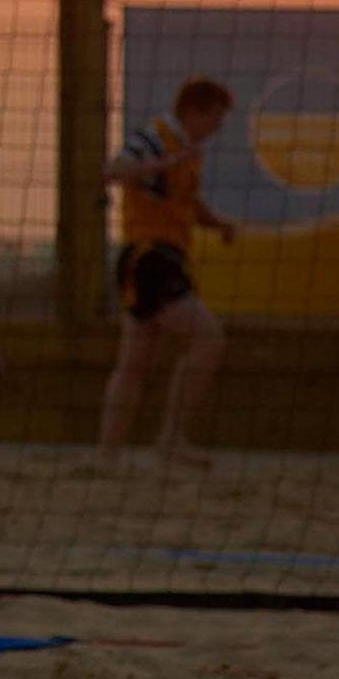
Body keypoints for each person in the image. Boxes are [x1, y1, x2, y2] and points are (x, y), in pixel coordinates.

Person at [96, 77, 240, 468]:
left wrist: (220, 224)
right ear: (195, 111)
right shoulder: (158, 138)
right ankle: (170, 439)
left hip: (161, 257)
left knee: (136, 361)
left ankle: (108, 453)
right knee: (208, 338)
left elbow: (188, 205)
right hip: (149, 257)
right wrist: (156, 165)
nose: (217, 127)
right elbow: (115, 169)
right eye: (215, 118)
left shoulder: (189, 151)